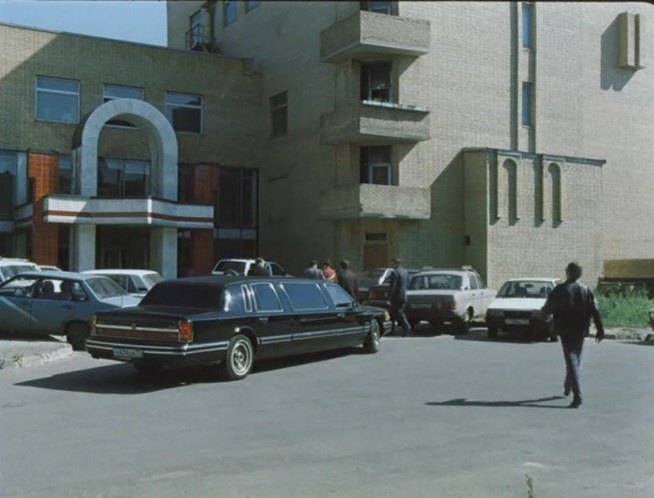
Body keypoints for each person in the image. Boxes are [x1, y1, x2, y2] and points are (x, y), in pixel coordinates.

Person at [541, 261, 605, 408]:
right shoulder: (585, 289)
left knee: (572, 360)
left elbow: (548, 307)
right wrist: (600, 328)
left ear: (568, 272)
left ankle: (577, 396)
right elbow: (595, 309)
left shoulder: (560, 289)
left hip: (565, 329)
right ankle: (568, 385)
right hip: (581, 329)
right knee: (575, 359)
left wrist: (544, 316)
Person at [387, 257, 412, 337]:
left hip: (396, 296)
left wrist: (389, 297)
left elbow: (393, 286)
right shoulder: (405, 271)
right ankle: (392, 329)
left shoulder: (395, 272)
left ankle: (407, 327)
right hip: (404, 295)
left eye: (392, 263)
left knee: (399, 312)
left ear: (395, 263)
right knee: (394, 313)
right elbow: (408, 282)